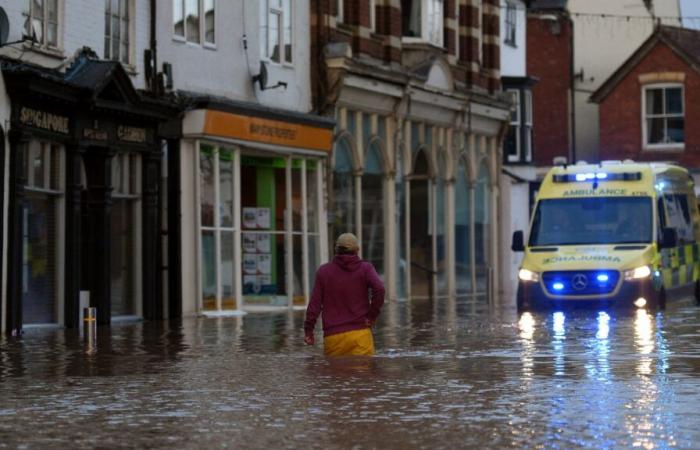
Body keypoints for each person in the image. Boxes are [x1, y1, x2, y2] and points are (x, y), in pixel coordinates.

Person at [304, 233, 385, 356]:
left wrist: (309, 331)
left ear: (336, 249)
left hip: (333, 337)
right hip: (360, 334)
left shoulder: (324, 272)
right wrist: (372, 316)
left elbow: (314, 305)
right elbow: (379, 289)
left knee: (336, 373)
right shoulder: (365, 268)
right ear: (357, 250)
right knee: (363, 373)